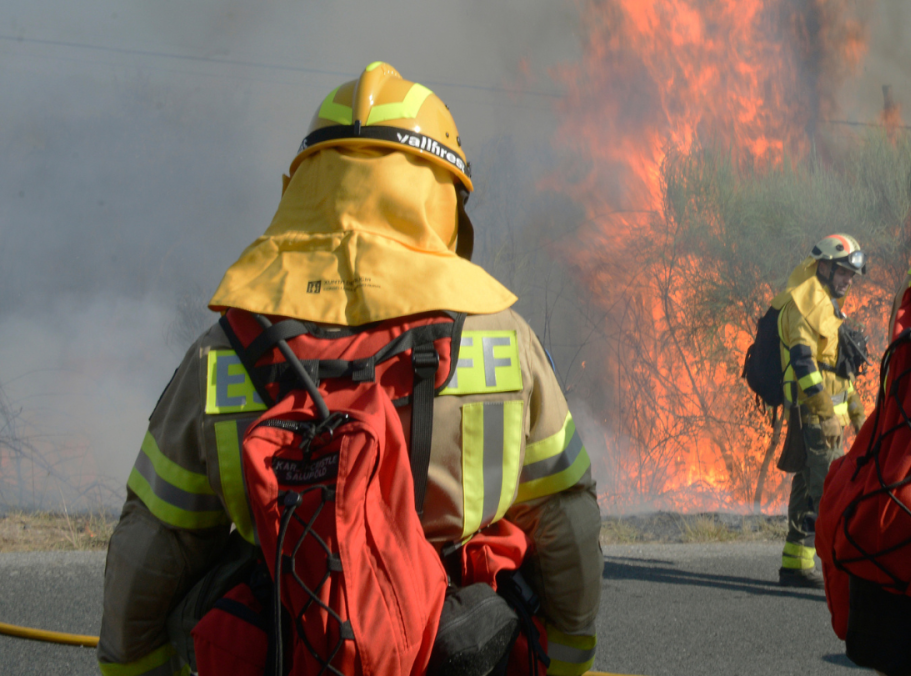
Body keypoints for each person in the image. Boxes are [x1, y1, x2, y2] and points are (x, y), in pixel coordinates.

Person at [97, 63, 602, 676]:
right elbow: (563, 519)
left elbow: (156, 540)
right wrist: (568, 660)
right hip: (458, 649)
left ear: (306, 186)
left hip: (284, 648)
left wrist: (134, 667)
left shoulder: (228, 345)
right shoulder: (500, 339)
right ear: (443, 195)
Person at [774, 234, 868, 588]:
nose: (847, 280)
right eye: (842, 272)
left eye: (850, 275)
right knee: (827, 494)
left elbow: (837, 369)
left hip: (831, 418)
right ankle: (837, 572)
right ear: (824, 266)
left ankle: (795, 563)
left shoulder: (826, 305)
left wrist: (856, 411)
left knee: (806, 486)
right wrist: (825, 413)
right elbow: (804, 366)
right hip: (817, 419)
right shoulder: (804, 305)